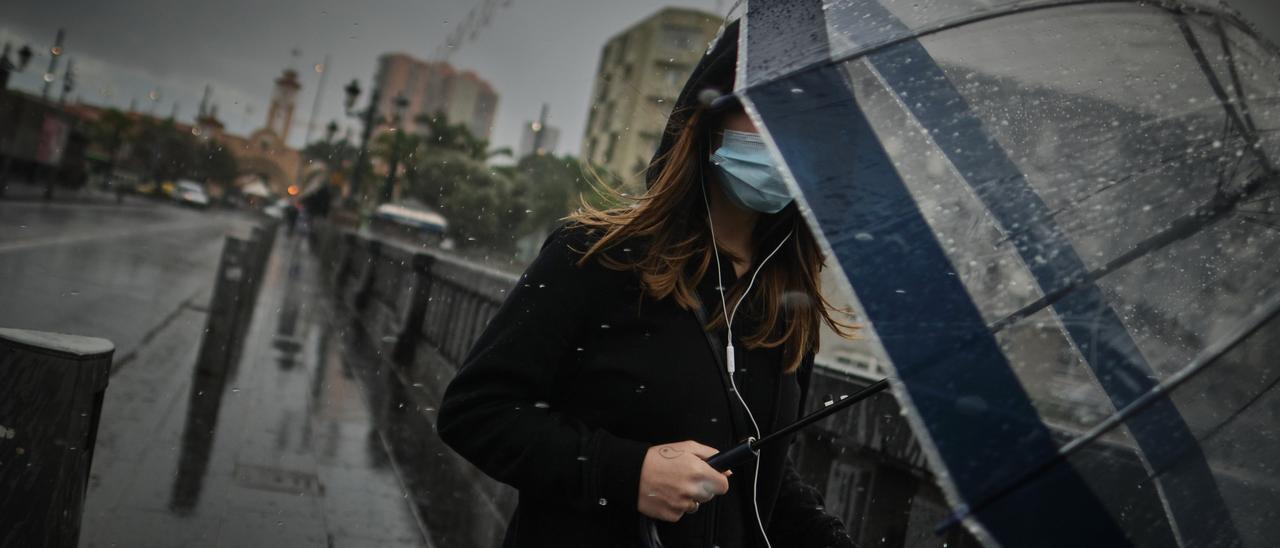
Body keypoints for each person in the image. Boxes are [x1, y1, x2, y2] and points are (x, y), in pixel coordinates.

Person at [437, 20, 857, 548]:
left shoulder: (788, 301)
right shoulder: (595, 256)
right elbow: (476, 413)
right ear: (709, 116)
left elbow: (758, 467)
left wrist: (826, 536)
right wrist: (629, 473)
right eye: (766, 103)